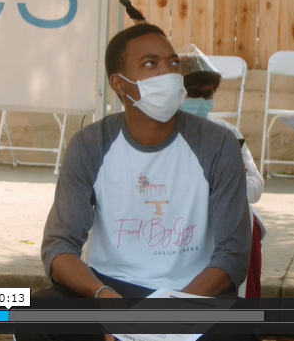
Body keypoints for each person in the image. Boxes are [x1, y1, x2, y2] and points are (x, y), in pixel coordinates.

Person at [25, 23, 251, 341]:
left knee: (238, 330)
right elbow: (59, 246)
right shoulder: (90, 144)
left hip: (191, 293)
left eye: (173, 63)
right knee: (31, 311)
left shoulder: (217, 144)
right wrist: (103, 296)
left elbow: (233, 255)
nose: (169, 73)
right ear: (119, 84)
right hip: (111, 291)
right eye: (150, 64)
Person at [178, 44, 266, 299]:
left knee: (248, 225)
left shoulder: (228, 135)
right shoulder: (157, 135)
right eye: (193, 93)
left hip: (220, 222)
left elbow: (255, 187)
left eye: (209, 95)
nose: (202, 102)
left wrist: (226, 178)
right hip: (173, 226)